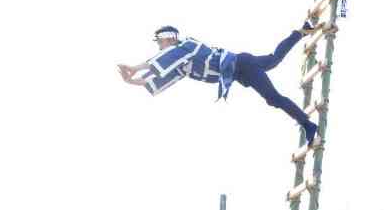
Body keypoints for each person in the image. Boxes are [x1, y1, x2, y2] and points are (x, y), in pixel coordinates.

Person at [118, 22, 319, 146]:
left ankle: (308, 124)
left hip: (242, 65)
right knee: (274, 59)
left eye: (160, 43)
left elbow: (160, 62)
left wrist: (135, 69)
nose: (159, 47)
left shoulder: (185, 46)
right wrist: (132, 82)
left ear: (169, 38)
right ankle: (302, 31)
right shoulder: (182, 64)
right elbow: (159, 77)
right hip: (240, 71)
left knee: (273, 98)